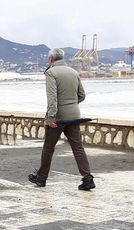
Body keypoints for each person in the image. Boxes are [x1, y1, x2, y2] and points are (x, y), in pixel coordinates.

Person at [30, 47, 94, 191]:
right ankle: (87, 178)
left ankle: (41, 178)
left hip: (58, 117)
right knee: (78, 148)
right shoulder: (74, 72)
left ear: (51, 59)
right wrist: (71, 105)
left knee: (48, 148)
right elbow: (82, 96)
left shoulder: (51, 73)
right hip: (74, 116)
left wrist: (50, 118)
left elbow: (52, 98)